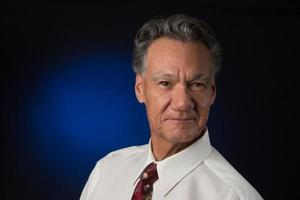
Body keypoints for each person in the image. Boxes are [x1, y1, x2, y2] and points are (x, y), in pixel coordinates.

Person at [80, 14, 263, 200]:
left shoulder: (235, 196)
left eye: (197, 84)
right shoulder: (106, 171)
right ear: (140, 89)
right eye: (165, 83)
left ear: (212, 92)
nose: (182, 102)